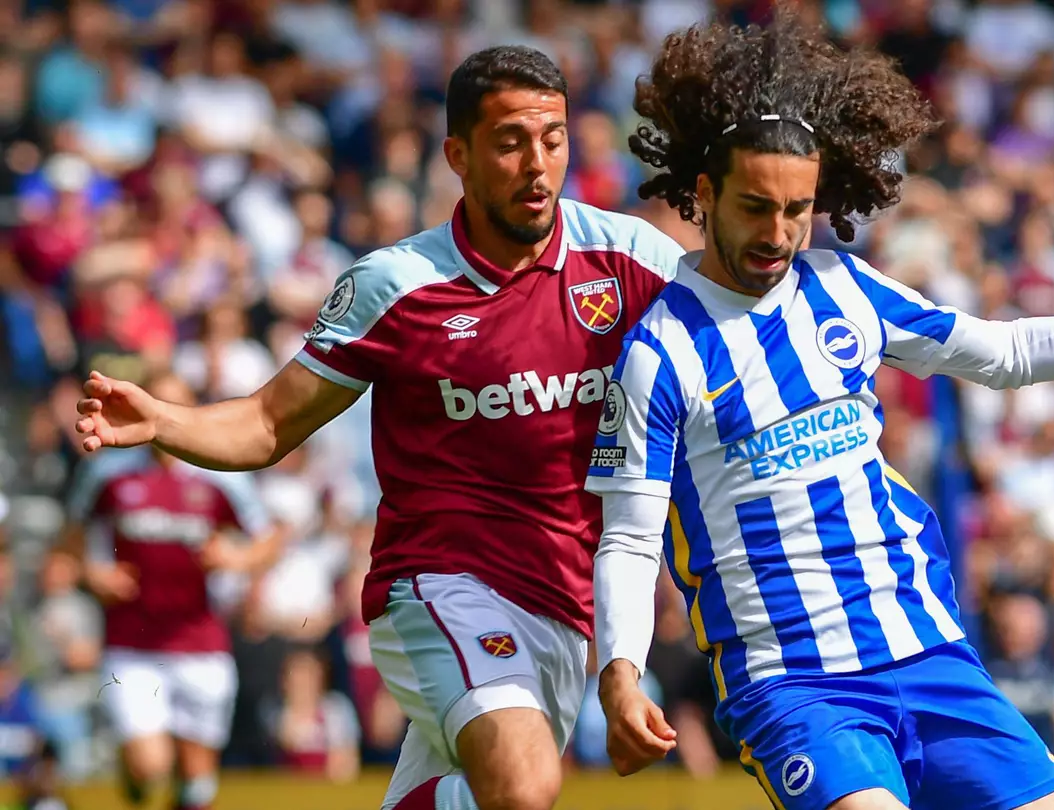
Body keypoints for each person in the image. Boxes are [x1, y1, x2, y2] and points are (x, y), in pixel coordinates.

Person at [584, 14, 1054, 810]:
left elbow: (1007, 354)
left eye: (798, 209)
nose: (779, 234)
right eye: (755, 207)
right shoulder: (659, 352)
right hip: (796, 681)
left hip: (926, 650)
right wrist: (621, 673)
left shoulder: (846, 288)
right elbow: (632, 537)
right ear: (703, 196)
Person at [73, 47, 683, 810]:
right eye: (510, 141)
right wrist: (164, 419)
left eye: (553, 139)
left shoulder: (630, 256)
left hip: (564, 602)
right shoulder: (396, 284)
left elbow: (733, 334)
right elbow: (266, 423)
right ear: (458, 154)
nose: (537, 163)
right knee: (524, 788)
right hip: (441, 583)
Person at [62, 374, 278, 810]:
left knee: (195, 783)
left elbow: (268, 540)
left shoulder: (222, 472)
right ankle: (133, 773)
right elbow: (69, 541)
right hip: (133, 643)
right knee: (150, 764)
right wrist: (92, 573)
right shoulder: (107, 470)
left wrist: (238, 561)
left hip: (201, 641)